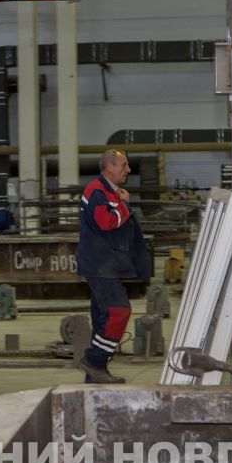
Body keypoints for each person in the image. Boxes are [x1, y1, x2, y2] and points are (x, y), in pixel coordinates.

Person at [76, 149, 152, 383]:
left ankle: (95, 375)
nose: (128, 169)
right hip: (101, 265)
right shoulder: (97, 191)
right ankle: (95, 360)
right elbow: (107, 222)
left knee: (102, 317)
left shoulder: (109, 191)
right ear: (110, 166)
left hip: (107, 264)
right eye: (124, 165)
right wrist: (124, 204)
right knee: (120, 311)